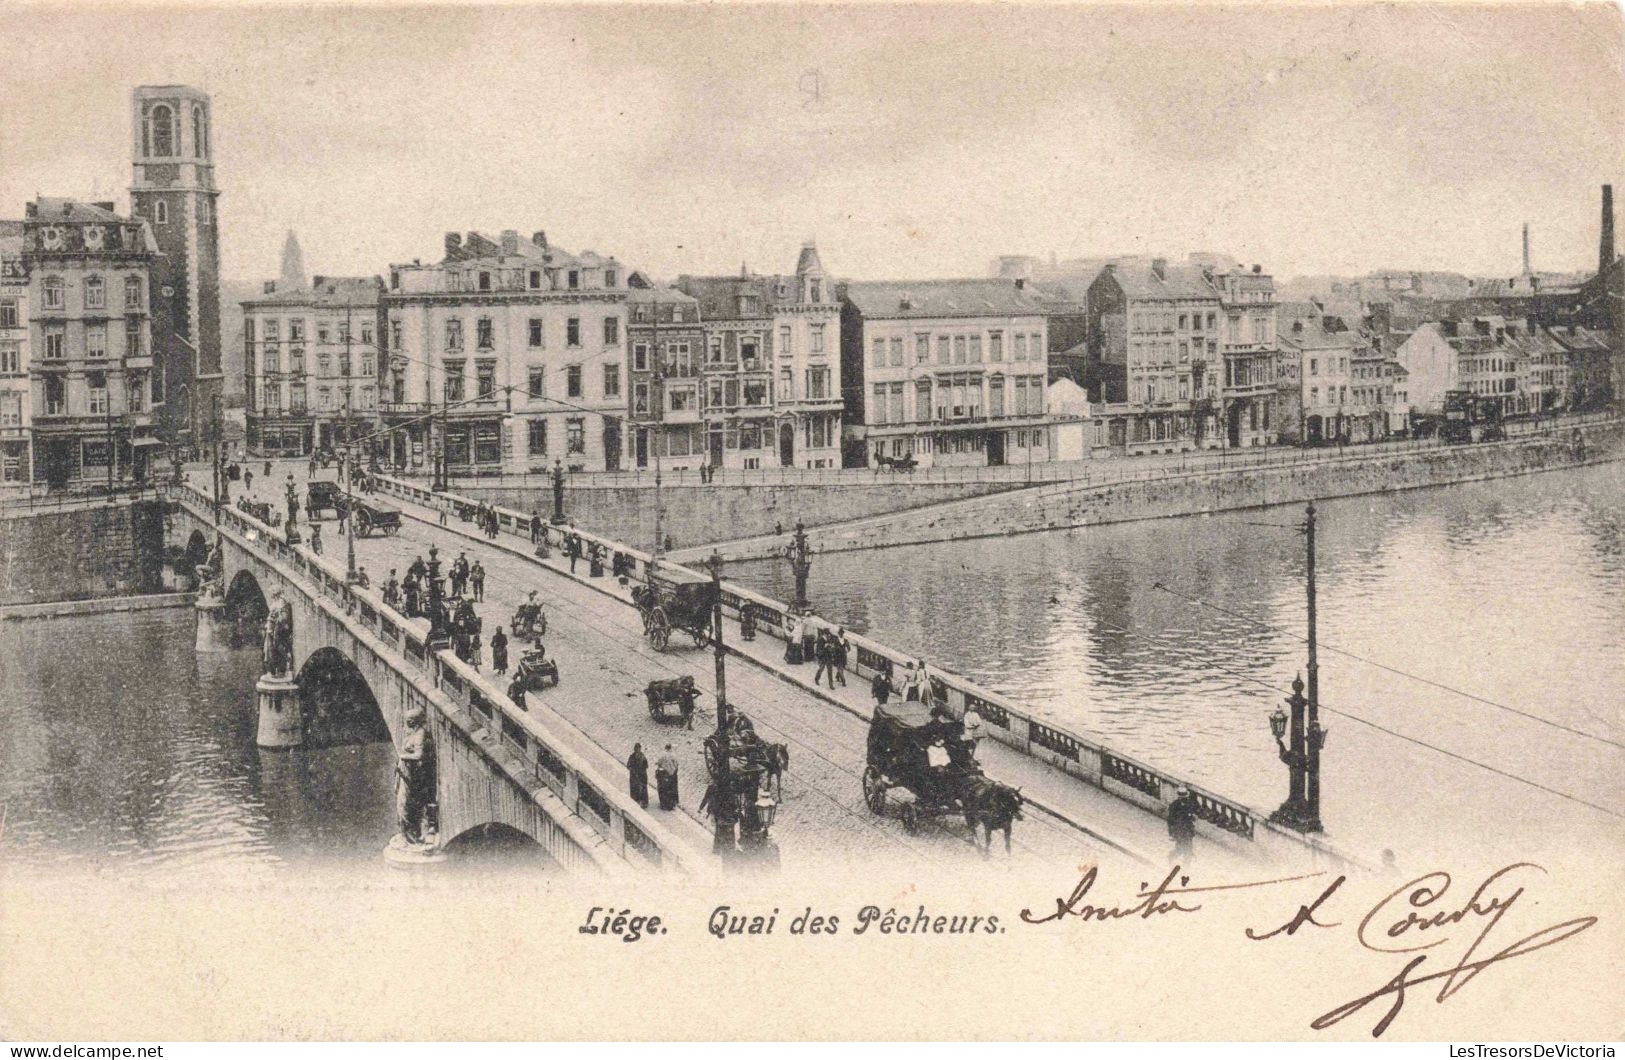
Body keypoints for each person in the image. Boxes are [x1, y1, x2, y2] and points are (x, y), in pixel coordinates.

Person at [1167, 786, 1198, 863]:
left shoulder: (1189, 804)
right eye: (1182, 796)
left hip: (1188, 830)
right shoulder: (1174, 806)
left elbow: (1192, 816)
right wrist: (1171, 833)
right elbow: (1170, 820)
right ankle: (1171, 857)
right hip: (1179, 830)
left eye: (1184, 796)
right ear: (1179, 796)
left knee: (1189, 849)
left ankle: (1186, 866)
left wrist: (1192, 817)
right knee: (1180, 848)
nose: (1183, 798)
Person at [655, 744, 680, 810]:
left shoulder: (663, 754)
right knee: (672, 789)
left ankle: (663, 804)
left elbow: (658, 762)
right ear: (670, 748)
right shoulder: (674, 755)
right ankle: (671, 804)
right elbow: (677, 764)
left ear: (665, 748)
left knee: (662, 789)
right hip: (672, 775)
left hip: (664, 774)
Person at [627, 743, 650, 809]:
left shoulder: (632, 756)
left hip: (635, 776)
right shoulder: (642, 756)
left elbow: (628, 766)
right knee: (643, 789)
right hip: (641, 775)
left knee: (635, 789)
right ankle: (643, 802)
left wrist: (633, 770)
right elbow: (646, 766)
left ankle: (636, 802)